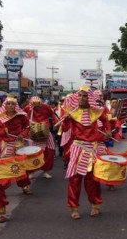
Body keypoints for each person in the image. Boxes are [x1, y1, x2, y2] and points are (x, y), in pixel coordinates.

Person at [61, 86, 112, 219]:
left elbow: (106, 122)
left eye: (84, 96)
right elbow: (65, 128)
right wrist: (66, 119)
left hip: (92, 148)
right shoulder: (72, 112)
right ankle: (74, 207)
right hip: (77, 148)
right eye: (80, 96)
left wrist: (107, 130)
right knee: (74, 180)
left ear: (89, 98)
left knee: (92, 180)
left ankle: (95, 204)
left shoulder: (96, 112)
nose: (81, 98)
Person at [0, 96, 32, 196]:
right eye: (8, 103)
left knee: (20, 164)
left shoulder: (21, 116)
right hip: (4, 143)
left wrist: (23, 134)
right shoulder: (0, 116)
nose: (11, 106)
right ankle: (2, 187)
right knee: (4, 164)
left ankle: (24, 186)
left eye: (13, 104)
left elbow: (27, 127)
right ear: (5, 105)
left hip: (18, 142)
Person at [24, 96, 58, 179]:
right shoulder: (28, 108)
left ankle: (46, 171)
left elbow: (52, 115)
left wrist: (56, 123)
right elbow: (23, 118)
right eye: (34, 104)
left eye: (38, 103)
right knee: (33, 153)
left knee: (49, 151)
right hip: (33, 132)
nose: (37, 105)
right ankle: (31, 172)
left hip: (45, 131)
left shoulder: (46, 107)